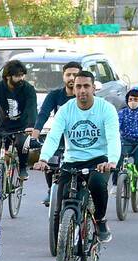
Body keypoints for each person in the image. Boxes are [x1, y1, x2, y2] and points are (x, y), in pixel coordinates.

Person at [33, 71, 121, 245]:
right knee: (60, 203)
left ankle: (100, 220)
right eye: (78, 86)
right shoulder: (66, 110)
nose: (82, 90)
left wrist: (111, 161)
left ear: (94, 88)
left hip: (99, 160)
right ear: (73, 90)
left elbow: (113, 137)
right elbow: (53, 136)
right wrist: (43, 159)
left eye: (86, 86)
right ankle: (61, 258)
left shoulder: (106, 109)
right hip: (72, 161)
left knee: (96, 184)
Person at [28, 61, 84, 200]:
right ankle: (51, 189)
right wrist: (34, 136)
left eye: (75, 75)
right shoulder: (55, 95)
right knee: (50, 160)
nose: (71, 78)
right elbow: (43, 115)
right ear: (63, 76)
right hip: (59, 136)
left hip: (80, 136)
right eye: (68, 74)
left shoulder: (85, 96)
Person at [0, 59, 38, 180]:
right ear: (7, 77)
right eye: (17, 76)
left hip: (23, 127)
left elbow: (32, 108)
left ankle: (22, 168)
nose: (21, 78)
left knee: (22, 145)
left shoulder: (28, 89)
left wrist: (31, 125)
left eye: (22, 75)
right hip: (3, 126)